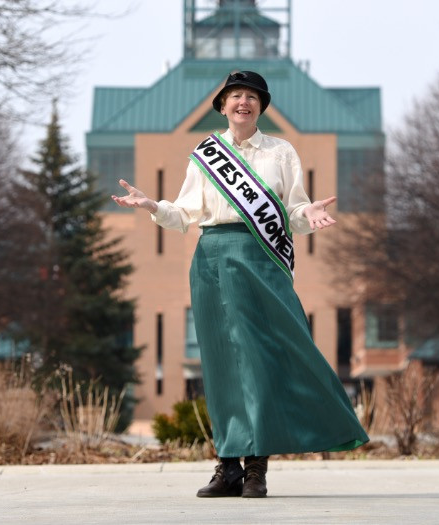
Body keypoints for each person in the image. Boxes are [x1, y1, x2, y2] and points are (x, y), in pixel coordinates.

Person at [112, 71, 369, 498]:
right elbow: (183, 214)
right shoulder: (205, 153)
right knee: (220, 363)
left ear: (261, 106)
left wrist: (310, 215)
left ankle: (257, 468)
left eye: (251, 96)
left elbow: (292, 212)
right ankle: (228, 466)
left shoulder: (281, 151)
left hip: (260, 258)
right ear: (223, 105)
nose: (242, 102)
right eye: (235, 96)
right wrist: (152, 205)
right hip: (211, 258)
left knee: (261, 361)